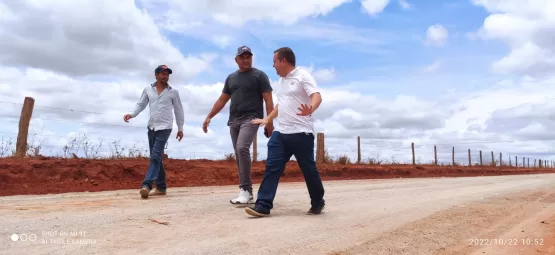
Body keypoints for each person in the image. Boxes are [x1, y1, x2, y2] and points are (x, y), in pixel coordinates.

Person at [245, 47, 325, 217]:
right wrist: (268, 119)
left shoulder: (302, 75)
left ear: (283, 61)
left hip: (301, 132)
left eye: (274, 61)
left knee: (308, 169)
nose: (273, 65)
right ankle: (263, 205)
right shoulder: (281, 82)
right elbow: (281, 106)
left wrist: (310, 108)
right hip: (281, 133)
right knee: (272, 168)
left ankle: (318, 201)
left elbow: (317, 95)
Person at [203, 45, 274, 205]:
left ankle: (246, 190)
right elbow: (222, 100)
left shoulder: (259, 76)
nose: (246, 59)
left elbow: (268, 99)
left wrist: (269, 121)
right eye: (242, 57)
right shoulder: (231, 78)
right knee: (239, 154)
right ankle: (246, 192)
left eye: (248, 56)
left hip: (252, 118)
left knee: (242, 147)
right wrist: (209, 116)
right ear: (236, 60)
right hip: (234, 120)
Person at [123, 64, 185, 199]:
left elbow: (179, 110)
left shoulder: (173, 92)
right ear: (156, 75)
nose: (165, 76)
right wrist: (132, 114)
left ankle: (147, 185)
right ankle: (161, 187)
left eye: (167, 74)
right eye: (162, 74)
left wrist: (180, 128)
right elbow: (141, 104)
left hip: (165, 128)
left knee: (155, 155)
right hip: (151, 127)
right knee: (156, 157)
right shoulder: (148, 90)